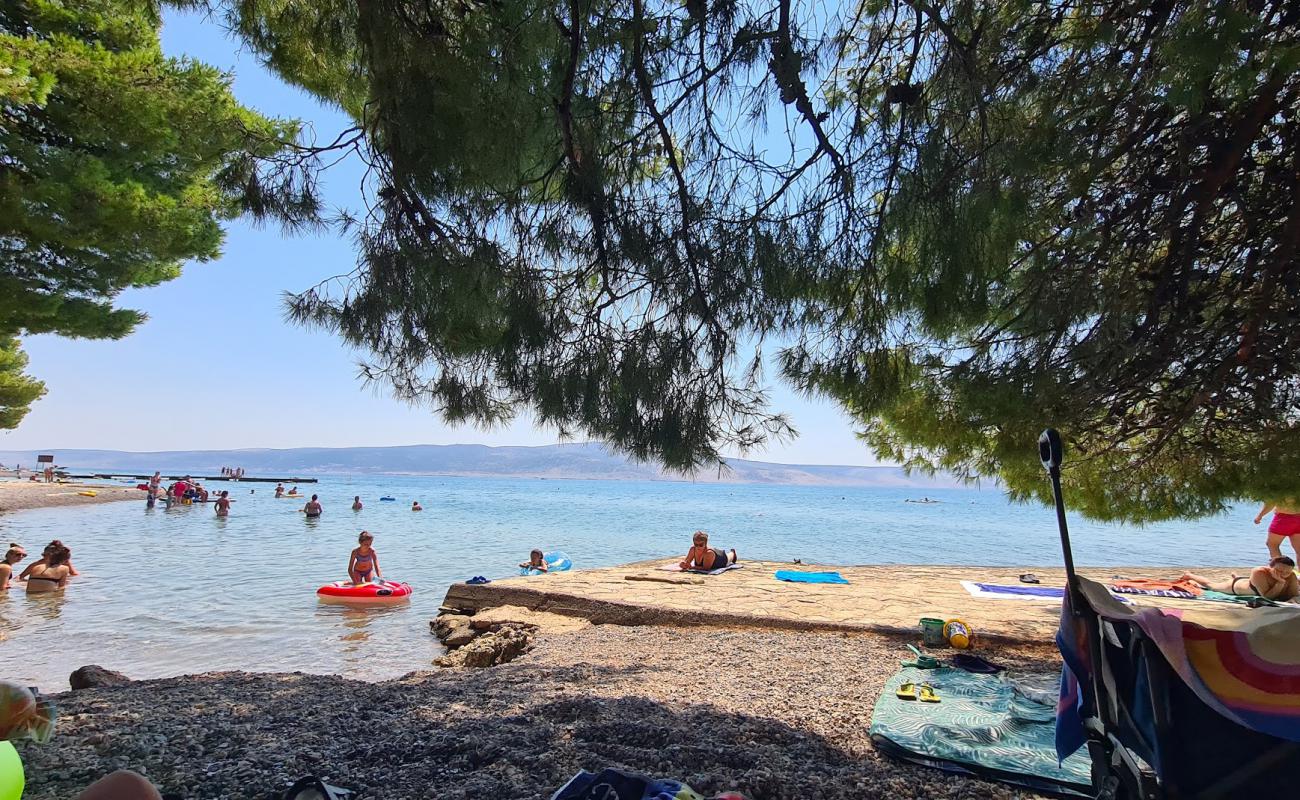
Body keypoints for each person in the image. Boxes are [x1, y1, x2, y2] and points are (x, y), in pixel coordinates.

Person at [1182, 557, 1300, 602]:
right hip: (1236, 587)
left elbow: (1293, 595)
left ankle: (1236, 575)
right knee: (1211, 585)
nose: (1284, 574)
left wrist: (1292, 598)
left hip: (1251, 583)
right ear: (1270, 568)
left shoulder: (1291, 576)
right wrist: (1280, 583)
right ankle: (1189, 575)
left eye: (1287, 572)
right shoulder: (1259, 571)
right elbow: (1267, 597)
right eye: (1279, 571)